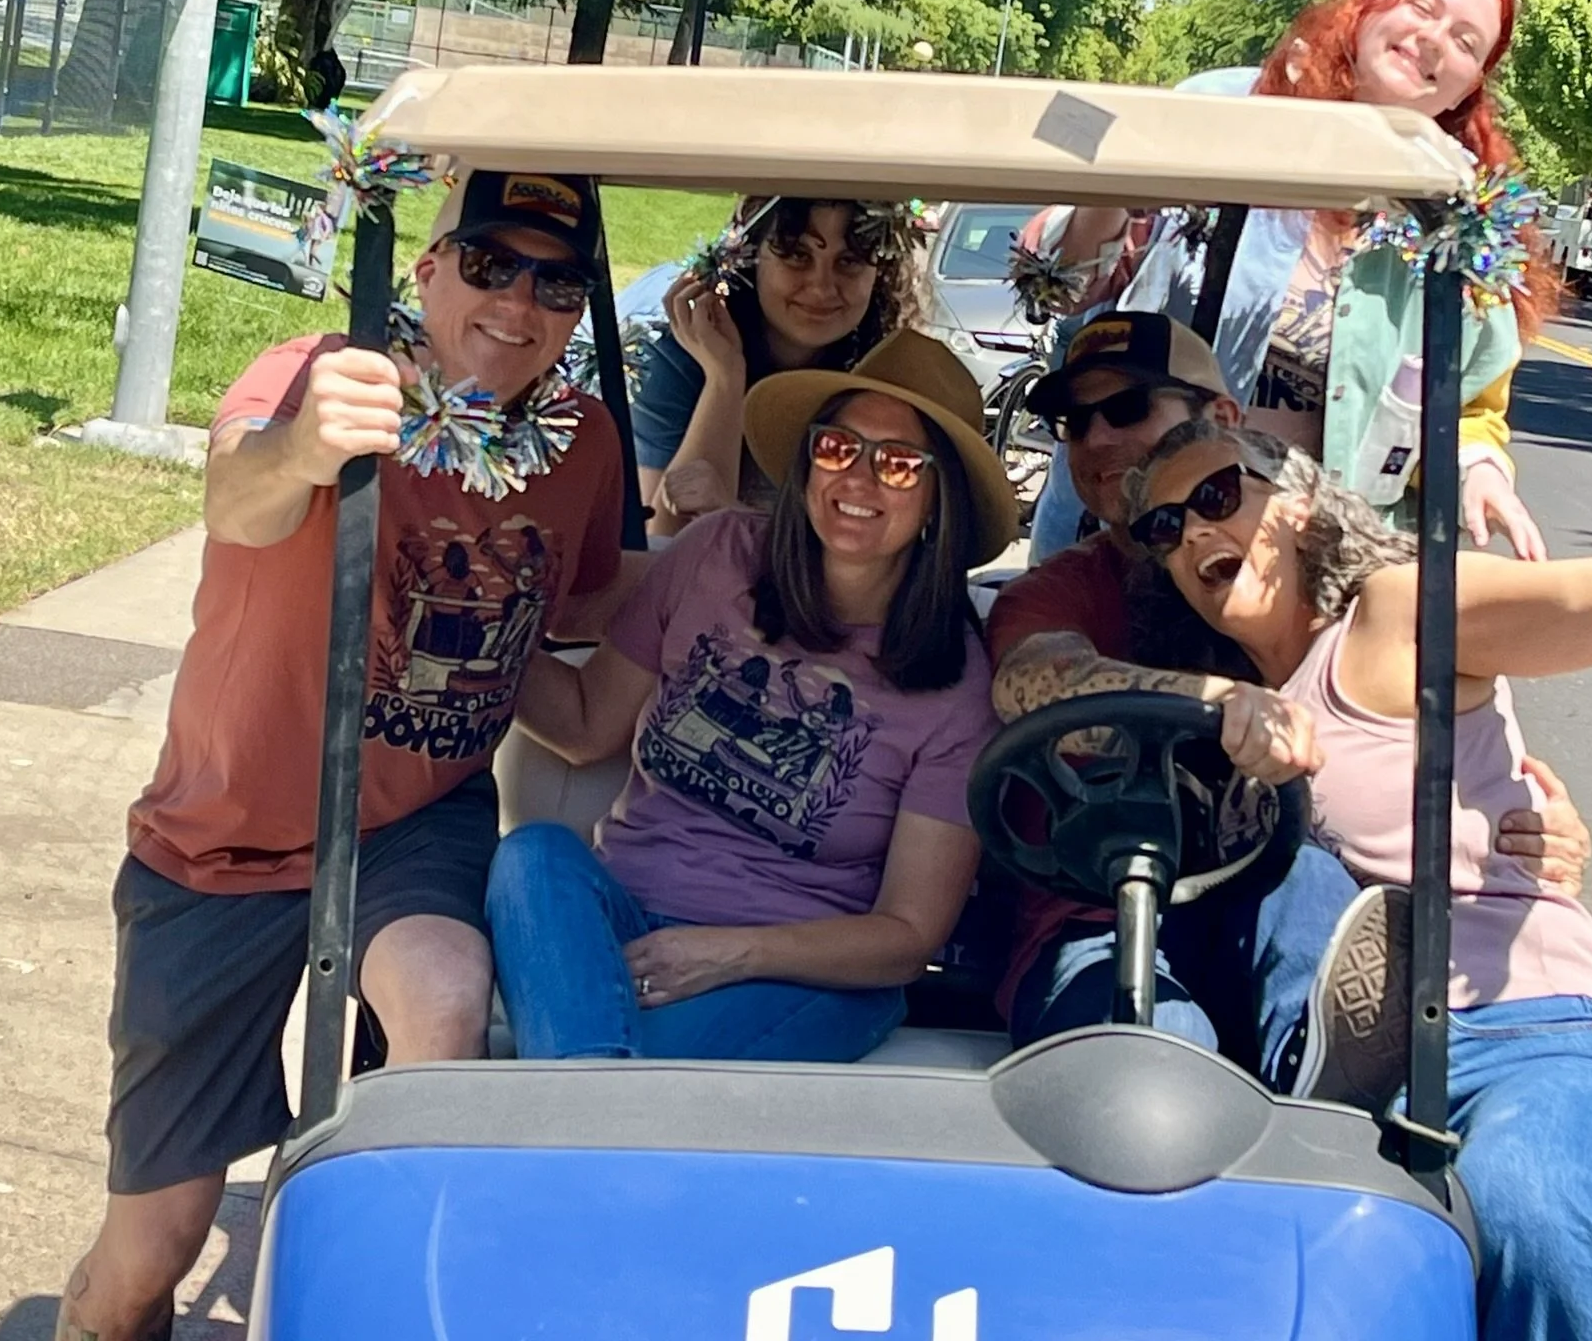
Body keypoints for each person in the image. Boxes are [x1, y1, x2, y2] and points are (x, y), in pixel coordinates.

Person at [1116, 270, 1592, 1339]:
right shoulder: (1225, 705)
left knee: (1524, 1211)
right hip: (1347, 1069)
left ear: (1301, 502)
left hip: (1522, 1035)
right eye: (1162, 528)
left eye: (1218, 497)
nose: (1190, 534)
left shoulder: (1393, 616)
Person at [56, 168, 629, 1341]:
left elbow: (577, 623)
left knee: (443, 999)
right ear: (426, 269)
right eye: (489, 266)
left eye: (555, 283)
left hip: (414, 820)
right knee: (153, 1247)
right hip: (223, 838)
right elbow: (239, 496)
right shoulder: (328, 372)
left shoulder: (579, 439)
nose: (518, 305)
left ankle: (367, 1298)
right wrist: (306, 445)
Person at [986, 310, 1592, 1083]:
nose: (1099, 439)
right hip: (1102, 918)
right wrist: (1218, 703)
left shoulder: (1296, 587)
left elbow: (1415, 739)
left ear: (1222, 421)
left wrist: (1533, 827)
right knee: (1157, 1068)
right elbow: (1036, 682)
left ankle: (1326, 1095)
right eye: (1075, 423)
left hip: (1281, 917)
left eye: (1130, 409)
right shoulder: (1062, 592)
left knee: (1307, 885)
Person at [487, 329, 1017, 1062]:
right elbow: (584, 724)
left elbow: (907, 937)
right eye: (837, 448)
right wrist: (477, 619)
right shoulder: (718, 553)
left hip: (798, 971)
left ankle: (583, 1099)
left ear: (938, 501)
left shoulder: (958, 687)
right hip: (623, 919)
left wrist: (733, 954)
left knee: (631, 1068)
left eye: (897, 465)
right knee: (534, 853)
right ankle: (596, 1095)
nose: (858, 481)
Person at [1027, 0, 1559, 565]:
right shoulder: (1228, 108)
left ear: (1469, 84)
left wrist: (1479, 471)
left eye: (1465, 41)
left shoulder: (1455, 214)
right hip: (1145, 530)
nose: (1434, 39)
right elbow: (1064, 284)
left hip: (1307, 560)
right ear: (1368, 6)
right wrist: (1097, 187)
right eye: (1422, 6)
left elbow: (1468, 404)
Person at [634, 196, 927, 536]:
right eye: (797, 256)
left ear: (880, 273)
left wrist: (733, 514)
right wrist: (724, 379)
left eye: (849, 261)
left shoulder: (889, 375)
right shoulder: (681, 359)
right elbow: (662, 545)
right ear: (748, 256)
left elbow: (880, 553)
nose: (821, 287)